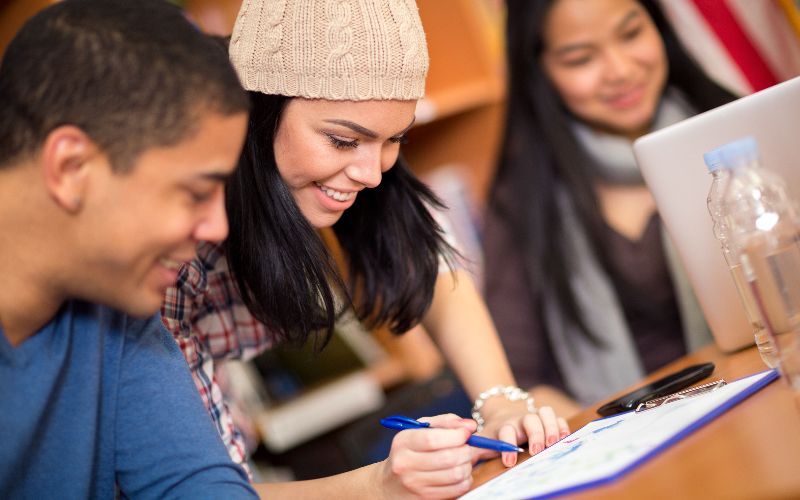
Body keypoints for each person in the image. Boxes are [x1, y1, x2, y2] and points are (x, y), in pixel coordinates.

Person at [162, 0, 569, 495]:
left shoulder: (353, 160)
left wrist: (501, 401)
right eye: (341, 141)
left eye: (393, 138)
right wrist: (382, 485)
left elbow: (428, 266)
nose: (372, 174)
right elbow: (196, 495)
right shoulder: (170, 247)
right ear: (258, 111)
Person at [0, 0, 257, 497]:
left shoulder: (116, 307)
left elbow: (199, 484)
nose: (218, 227)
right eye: (197, 192)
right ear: (72, 169)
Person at [483, 0, 737, 410]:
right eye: (580, 58)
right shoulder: (523, 198)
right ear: (540, 72)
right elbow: (521, 381)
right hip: (622, 434)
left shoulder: (734, 128)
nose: (619, 70)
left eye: (631, 34)